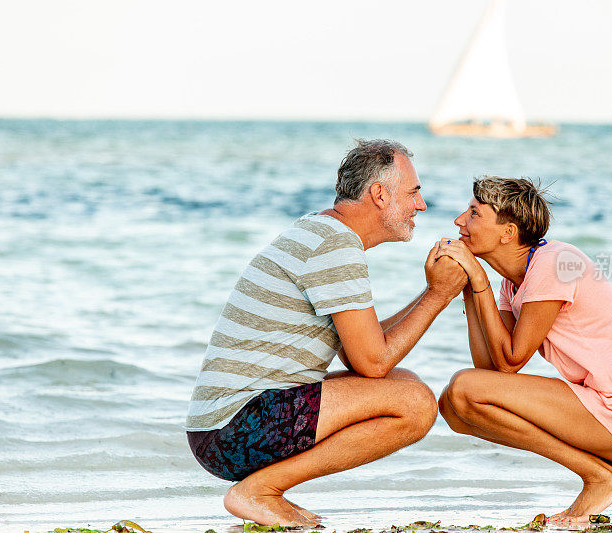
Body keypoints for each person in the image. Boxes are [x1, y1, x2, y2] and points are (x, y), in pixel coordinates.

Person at [185, 139, 467, 527]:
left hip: (223, 428)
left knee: (405, 384)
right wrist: (440, 294)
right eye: (414, 192)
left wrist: (432, 292)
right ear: (380, 195)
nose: (421, 205)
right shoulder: (336, 246)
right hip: (232, 430)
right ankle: (258, 491)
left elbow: (361, 354)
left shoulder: (322, 231)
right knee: (415, 403)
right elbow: (372, 362)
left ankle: (264, 489)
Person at [436, 176, 612, 524]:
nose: (459, 220)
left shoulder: (555, 262)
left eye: (474, 213)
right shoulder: (513, 280)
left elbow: (511, 359)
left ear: (507, 232)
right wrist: (468, 287)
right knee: (454, 407)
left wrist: (480, 280)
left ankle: (602, 477)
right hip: (597, 405)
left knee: (463, 387)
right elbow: (491, 368)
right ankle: (599, 474)